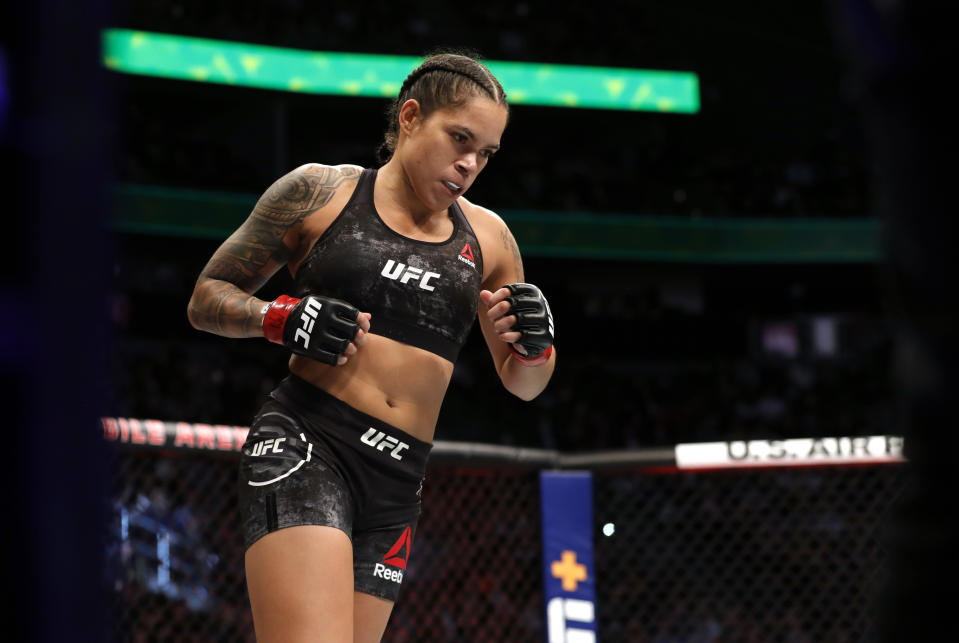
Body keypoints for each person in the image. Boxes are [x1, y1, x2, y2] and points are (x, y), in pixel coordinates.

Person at [187, 51, 556, 642]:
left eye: (485, 152)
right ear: (410, 117)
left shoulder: (490, 238)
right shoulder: (320, 193)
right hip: (307, 447)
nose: (469, 164)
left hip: (398, 482)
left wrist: (536, 348)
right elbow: (206, 298)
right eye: (460, 138)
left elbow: (524, 383)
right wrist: (278, 318)